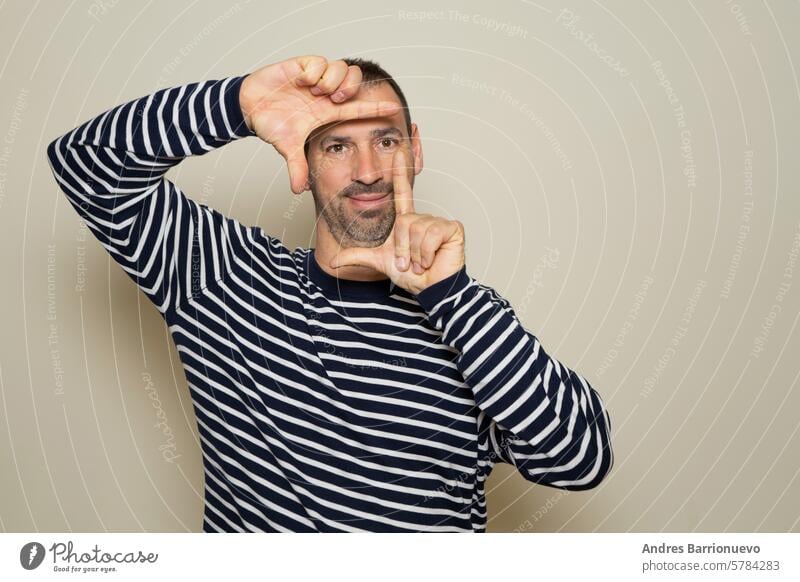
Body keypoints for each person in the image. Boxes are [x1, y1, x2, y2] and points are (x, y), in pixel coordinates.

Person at [46, 55, 613, 532]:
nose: (367, 170)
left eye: (385, 140)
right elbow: (85, 164)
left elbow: (580, 460)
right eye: (338, 146)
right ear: (305, 161)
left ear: (414, 150)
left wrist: (453, 297)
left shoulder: (469, 319)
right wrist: (239, 105)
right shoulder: (225, 278)